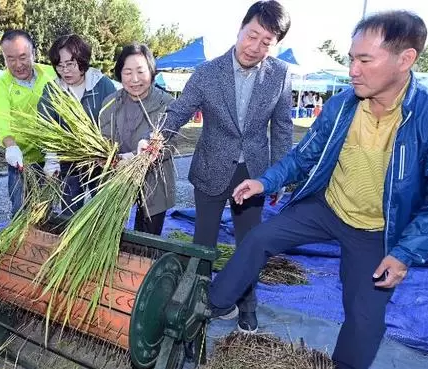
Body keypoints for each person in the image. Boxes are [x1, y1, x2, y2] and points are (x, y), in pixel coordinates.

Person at [207, 11, 428, 369]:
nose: (352, 70)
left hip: (377, 232)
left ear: (404, 60)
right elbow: (303, 158)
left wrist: (403, 254)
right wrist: (265, 181)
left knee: (365, 319)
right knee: (260, 237)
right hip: (327, 207)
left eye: (364, 60)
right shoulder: (341, 107)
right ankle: (214, 304)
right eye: (351, 58)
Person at [156, 0, 293, 332]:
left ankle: (247, 305)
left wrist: (278, 177)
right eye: (252, 36)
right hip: (210, 167)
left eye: (266, 42)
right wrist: (158, 138)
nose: (256, 47)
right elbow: (178, 112)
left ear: (275, 45)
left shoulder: (280, 74)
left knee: (250, 244)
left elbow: (283, 128)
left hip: (254, 173)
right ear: (240, 29)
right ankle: (202, 302)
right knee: (203, 242)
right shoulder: (207, 73)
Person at [98, 43, 175, 235]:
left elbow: (170, 144)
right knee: (110, 236)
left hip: (154, 183)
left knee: (147, 241)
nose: (134, 80)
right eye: (127, 72)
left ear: (151, 71)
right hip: (117, 180)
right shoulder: (110, 103)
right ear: (119, 73)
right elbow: (104, 141)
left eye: (141, 72)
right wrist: (110, 159)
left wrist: (143, 153)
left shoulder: (167, 104)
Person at [38, 34, 117, 212]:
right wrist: (51, 157)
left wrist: (108, 151)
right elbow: (45, 124)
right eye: (59, 66)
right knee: (69, 212)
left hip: (101, 162)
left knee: (103, 211)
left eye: (70, 64)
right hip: (68, 163)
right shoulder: (52, 90)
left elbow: (115, 122)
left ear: (82, 61)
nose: (65, 71)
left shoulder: (103, 85)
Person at [0, 29, 53, 217]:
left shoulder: (51, 74)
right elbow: (1, 119)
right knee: (21, 211)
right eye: (10, 59)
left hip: (53, 158)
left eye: (23, 57)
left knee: (47, 213)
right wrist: (10, 146)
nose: (18, 65)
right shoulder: (2, 85)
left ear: (34, 53)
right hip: (21, 160)